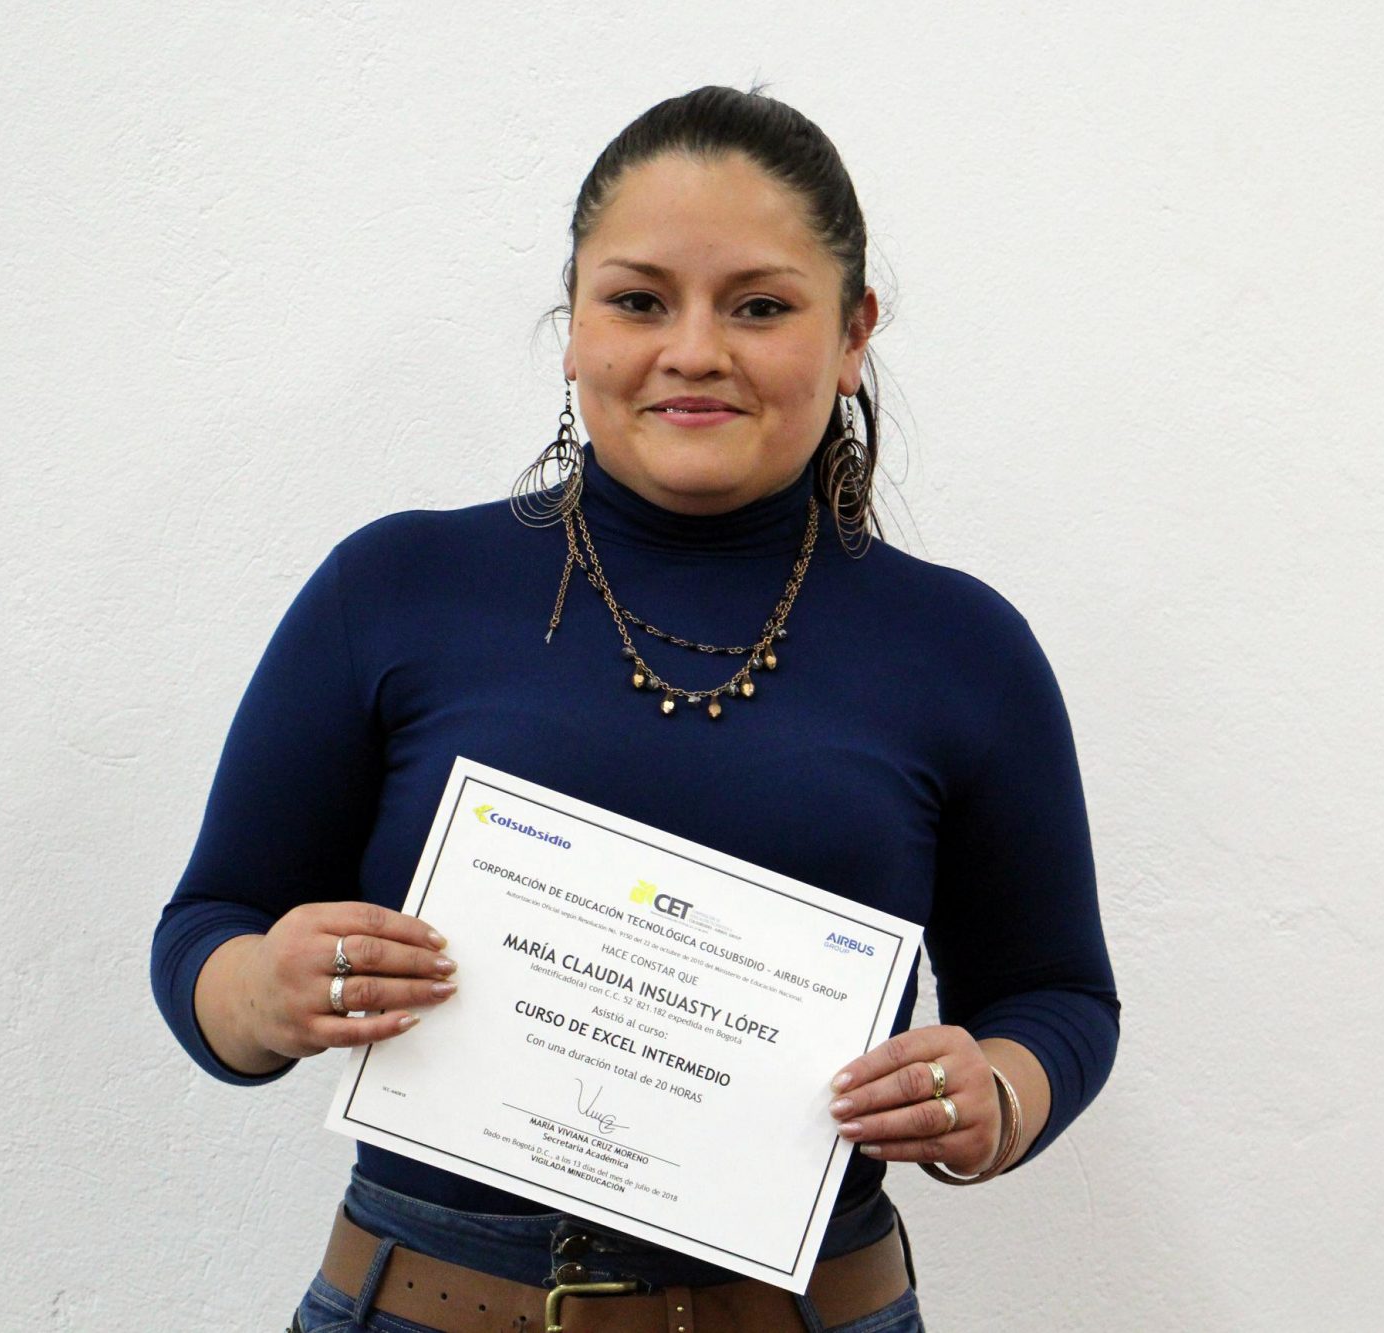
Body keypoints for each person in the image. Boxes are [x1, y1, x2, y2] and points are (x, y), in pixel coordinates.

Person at [151, 84, 1119, 1333]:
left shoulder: (964, 648)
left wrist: (995, 1094)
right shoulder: (392, 588)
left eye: (759, 306)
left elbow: (1056, 994)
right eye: (639, 301)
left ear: (851, 334)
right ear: (572, 326)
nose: (695, 350)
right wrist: (259, 994)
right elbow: (208, 926)